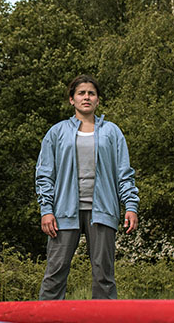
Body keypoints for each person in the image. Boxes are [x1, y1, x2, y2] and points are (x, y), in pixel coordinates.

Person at [35, 75, 139, 300]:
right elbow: (44, 175)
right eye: (81, 93)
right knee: (55, 273)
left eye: (91, 93)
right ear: (72, 99)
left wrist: (130, 206)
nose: (86, 97)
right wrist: (46, 210)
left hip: (102, 212)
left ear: (98, 100)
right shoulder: (57, 132)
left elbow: (124, 173)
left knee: (104, 275)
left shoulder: (112, 132)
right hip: (63, 212)